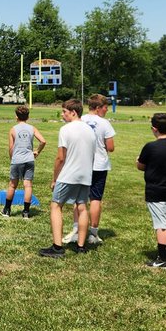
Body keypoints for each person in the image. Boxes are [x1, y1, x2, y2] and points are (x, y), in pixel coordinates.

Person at [39, 99, 97, 258]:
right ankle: (81, 246)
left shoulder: (65, 129)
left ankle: (57, 247)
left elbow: (60, 158)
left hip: (68, 175)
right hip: (85, 175)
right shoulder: (90, 130)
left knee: (56, 206)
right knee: (82, 207)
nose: (62, 115)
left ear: (74, 112)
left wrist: (55, 178)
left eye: (64, 112)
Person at [66, 94, 116, 244]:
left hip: (81, 163)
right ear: (99, 108)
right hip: (99, 165)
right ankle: (93, 233)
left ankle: (76, 230)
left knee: (78, 199)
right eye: (106, 107)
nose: (107, 110)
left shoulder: (81, 120)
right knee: (95, 199)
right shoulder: (104, 123)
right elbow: (111, 147)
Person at [138, 112, 166, 268]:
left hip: (156, 190)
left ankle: (164, 258)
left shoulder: (151, 147)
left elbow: (141, 165)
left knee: (161, 225)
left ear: (154, 128)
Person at [2, 105, 46, 219]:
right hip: (29, 160)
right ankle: (26, 212)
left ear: (16, 116)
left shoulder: (13, 129)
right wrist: (37, 152)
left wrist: (11, 159)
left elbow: (11, 148)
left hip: (17, 160)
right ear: (28, 116)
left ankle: (6, 210)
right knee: (28, 185)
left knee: (12, 185)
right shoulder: (32, 128)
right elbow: (43, 141)